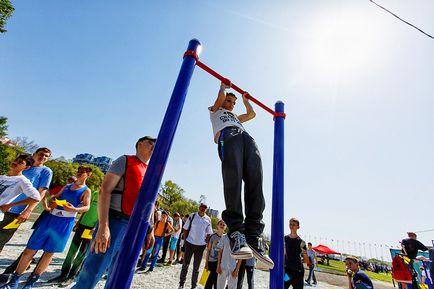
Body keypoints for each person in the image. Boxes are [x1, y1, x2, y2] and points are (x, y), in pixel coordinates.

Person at [72, 136, 156, 289]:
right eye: (150, 143)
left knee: (119, 273)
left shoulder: (150, 171)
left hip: (134, 227)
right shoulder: (125, 160)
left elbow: (150, 203)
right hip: (115, 221)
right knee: (93, 270)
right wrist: (104, 226)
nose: (153, 147)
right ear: (139, 144)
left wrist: (150, 230)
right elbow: (105, 190)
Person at [209, 82, 273, 269]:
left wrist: (245, 101)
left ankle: (253, 234)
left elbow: (252, 114)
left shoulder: (236, 117)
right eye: (229, 101)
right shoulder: (215, 111)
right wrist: (221, 88)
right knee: (233, 180)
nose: (230, 104)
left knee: (256, 180)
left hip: (245, 137)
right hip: (228, 136)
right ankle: (236, 232)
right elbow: (220, 99)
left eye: (232, 103)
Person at [1, 166, 92, 289]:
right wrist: (53, 202)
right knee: (30, 249)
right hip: (50, 218)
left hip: (65, 222)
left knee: (49, 253)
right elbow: (53, 198)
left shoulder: (86, 191)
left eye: (83, 172)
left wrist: (74, 209)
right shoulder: (67, 186)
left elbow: (86, 207)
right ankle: (14, 281)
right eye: (79, 171)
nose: (80, 173)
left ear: (88, 175)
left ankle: (30, 283)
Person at [0, 148, 52, 254]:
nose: (43, 157)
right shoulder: (22, 165)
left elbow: (40, 193)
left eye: (46, 156)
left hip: (16, 211)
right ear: (34, 154)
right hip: (2, 206)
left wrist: (28, 210)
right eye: (41, 154)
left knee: (2, 239)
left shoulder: (45, 171)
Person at [46, 189, 99, 285]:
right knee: (72, 250)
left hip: (91, 228)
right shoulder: (95, 193)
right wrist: (78, 223)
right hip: (82, 224)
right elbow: (86, 209)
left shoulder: (109, 198)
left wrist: (96, 227)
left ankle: (72, 276)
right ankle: (63, 274)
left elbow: (105, 214)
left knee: (82, 252)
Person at [0, 155, 41, 240]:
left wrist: (10, 205)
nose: (15, 163)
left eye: (20, 162)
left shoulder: (22, 181)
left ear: (26, 167)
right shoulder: (2, 177)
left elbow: (36, 198)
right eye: (16, 160)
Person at [178, 203, 213, 289]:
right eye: (201, 207)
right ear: (199, 207)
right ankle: (181, 284)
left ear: (206, 209)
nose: (202, 208)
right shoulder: (192, 216)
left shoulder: (208, 219)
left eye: (205, 207)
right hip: (189, 243)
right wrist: (185, 241)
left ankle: (193, 286)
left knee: (196, 268)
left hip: (200, 247)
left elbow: (209, 232)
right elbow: (185, 229)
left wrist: (206, 241)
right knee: (185, 265)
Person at [284, 218, 309, 289]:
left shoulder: (301, 242)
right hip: (287, 271)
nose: (291, 226)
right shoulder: (285, 239)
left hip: (298, 272)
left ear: (298, 227)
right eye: (290, 224)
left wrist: (307, 261)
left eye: (294, 225)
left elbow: (306, 258)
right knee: (283, 286)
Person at [205, 219, 227, 289]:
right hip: (211, 261)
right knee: (208, 282)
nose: (222, 226)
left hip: (221, 263)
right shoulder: (213, 236)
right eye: (220, 224)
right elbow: (208, 250)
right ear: (217, 226)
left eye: (224, 225)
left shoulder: (226, 238)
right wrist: (206, 263)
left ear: (226, 227)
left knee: (217, 283)